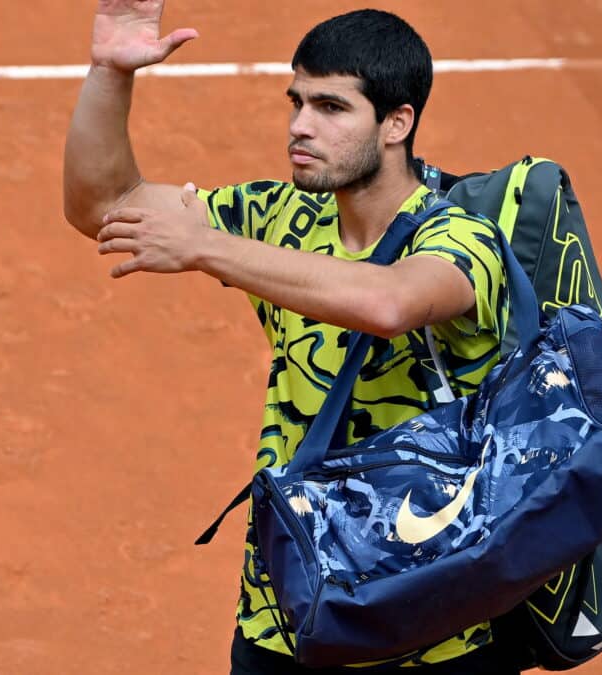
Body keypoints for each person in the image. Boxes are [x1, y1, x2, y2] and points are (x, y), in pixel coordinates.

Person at [63, 3, 523, 673]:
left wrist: (206, 245)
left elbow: (388, 301)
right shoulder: (282, 216)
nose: (300, 127)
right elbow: (101, 206)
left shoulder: (460, 238)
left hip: (428, 630)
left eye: (332, 108)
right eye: (298, 102)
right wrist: (109, 73)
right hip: (288, 615)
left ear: (398, 123)